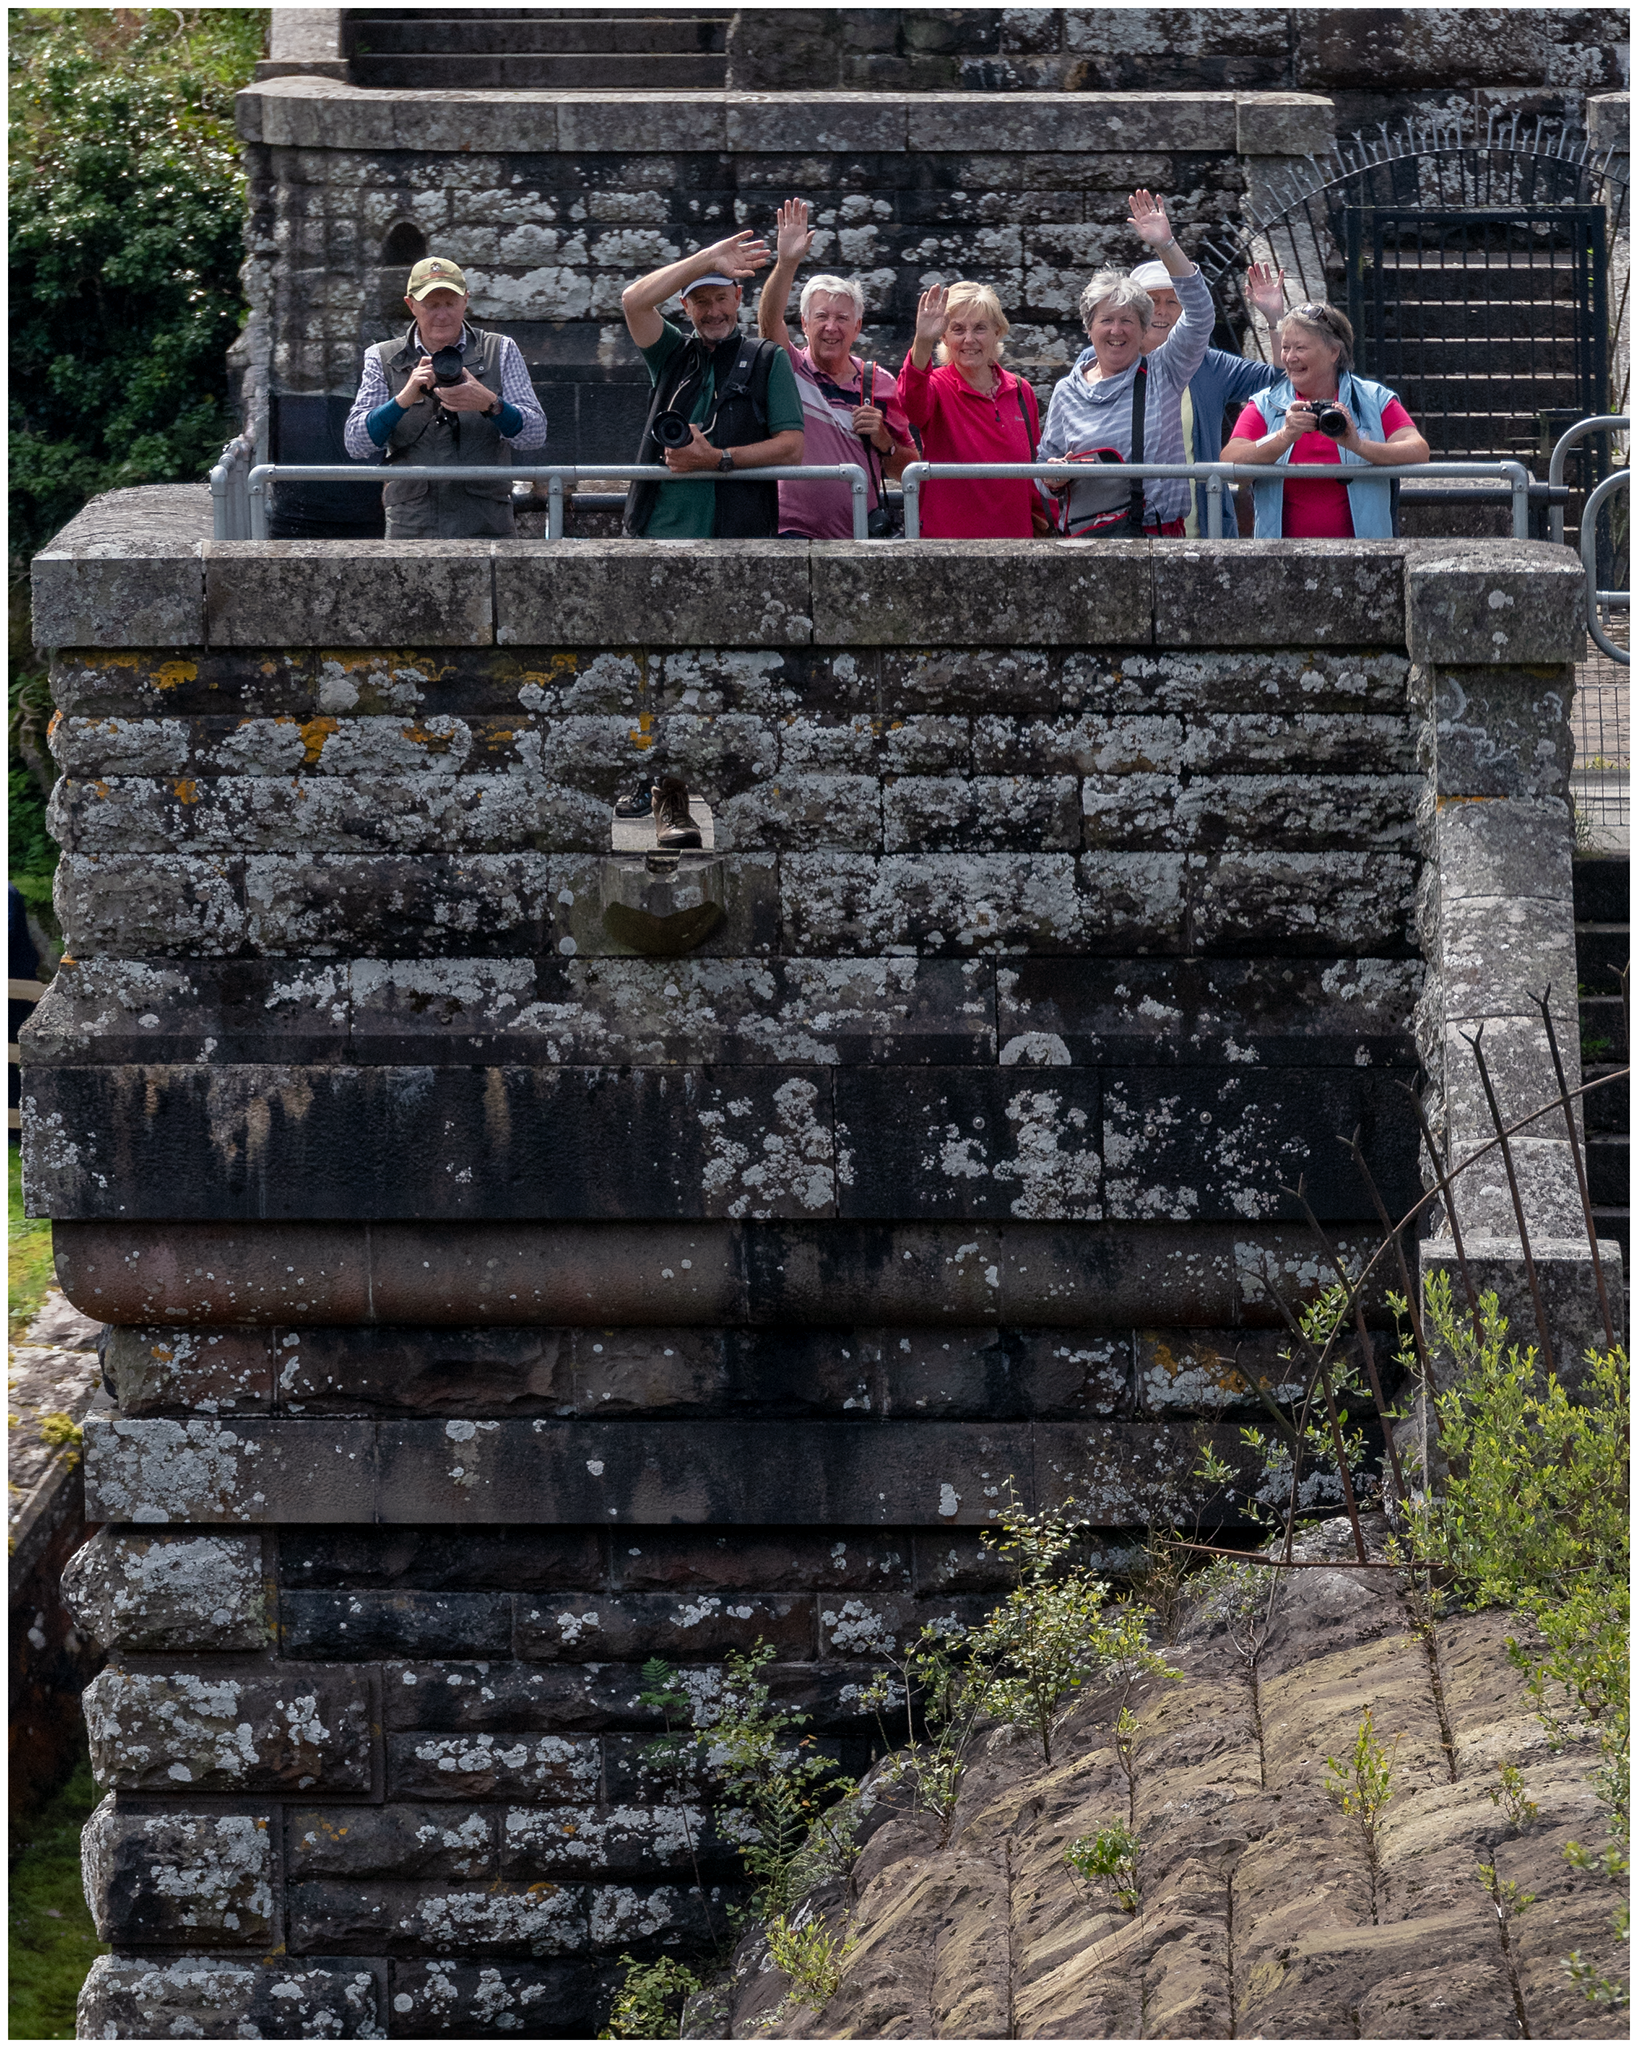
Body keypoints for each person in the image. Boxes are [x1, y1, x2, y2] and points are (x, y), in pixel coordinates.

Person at [1037, 190, 1213, 540]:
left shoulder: (1163, 372)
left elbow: (1201, 315)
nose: (1117, 331)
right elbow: (1043, 476)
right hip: (1087, 543)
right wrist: (1053, 477)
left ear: (1144, 328)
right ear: (1089, 328)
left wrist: (1166, 246)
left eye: (1128, 321)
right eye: (1107, 320)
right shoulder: (1067, 391)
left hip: (1156, 538)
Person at [619, 231, 805, 540]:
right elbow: (633, 301)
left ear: (738, 297)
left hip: (740, 537)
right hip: (657, 532)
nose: (713, 312)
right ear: (685, 305)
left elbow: (791, 448)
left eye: (720, 298)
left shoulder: (768, 359)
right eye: (701, 302)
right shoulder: (670, 353)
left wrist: (719, 458)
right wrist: (706, 258)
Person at [344, 256, 546, 538]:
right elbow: (356, 443)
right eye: (431, 305)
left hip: (486, 526)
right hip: (411, 528)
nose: (442, 315)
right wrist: (402, 400)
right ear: (410, 305)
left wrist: (490, 403)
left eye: (450, 303)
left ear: (466, 301)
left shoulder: (500, 350)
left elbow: (534, 435)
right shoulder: (382, 358)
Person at [756, 199, 918, 539]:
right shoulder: (790, 368)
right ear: (804, 324)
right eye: (822, 317)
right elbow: (768, 322)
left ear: (857, 328)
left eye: (842, 318)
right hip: (791, 535)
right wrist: (787, 262)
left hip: (862, 535)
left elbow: (908, 469)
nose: (832, 327)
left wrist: (884, 441)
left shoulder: (879, 382)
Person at [1222, 302, 1429, 538]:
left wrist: (1358, 446)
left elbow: (1418, 450)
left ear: (1334, 352)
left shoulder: (1373, 399)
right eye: (1286, 347)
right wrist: (1283, 437)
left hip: (1367, 558)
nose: (1290, 357)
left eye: (1300, 348)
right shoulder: (1265, 403)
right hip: (1279, 562)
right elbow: (1230, 463)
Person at [1126, 257, 1288, 535]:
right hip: (1126, 526)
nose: (1162, 311)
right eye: (1153, 301)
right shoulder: (1105, 361)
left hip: (1201, 525)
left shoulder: (1210, 364)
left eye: (1172, 302)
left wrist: (1275, 321)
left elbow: (1279, 379)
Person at [899, 278, 1042, 539]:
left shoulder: (1022, 391)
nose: (969, 339)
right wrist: (922, 341)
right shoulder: (937, 387)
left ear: (997, 331)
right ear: (943, 336)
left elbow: (1034, 474)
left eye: (979, 328)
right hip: (949, 548)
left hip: (1017, 546)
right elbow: (911, 401)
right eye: (957, 329)